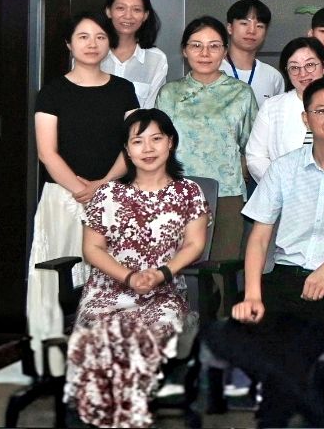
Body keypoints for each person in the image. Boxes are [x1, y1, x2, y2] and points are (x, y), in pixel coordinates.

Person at [202, 77, 324, 429]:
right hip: (283, 281)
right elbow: (259, 238)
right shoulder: (283, 168)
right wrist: (252, 294)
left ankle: (275, 423)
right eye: (322, 111)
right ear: (306, 119)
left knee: (291, 352)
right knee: (220, 333)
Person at [64, 109, 210, 429]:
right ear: (127, 150)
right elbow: (92, 249)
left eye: (156, 139)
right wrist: (129, 277)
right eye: (138, 141)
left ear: (170, 142)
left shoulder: (188, 192)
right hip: (108, 290)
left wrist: (160, 274)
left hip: (163, 292)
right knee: (99, 336)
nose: (148, 148)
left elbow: (194, 245)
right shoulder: (107, 193)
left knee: (142, 339)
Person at [29, 12, 138, 373]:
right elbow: (47, 153)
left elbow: (133, 145)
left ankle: (110, 363)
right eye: (83, 37)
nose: (92, 44)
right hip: (62, 199)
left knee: (112, 278)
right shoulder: (52, 92)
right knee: (58, 278)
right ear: (69, 44)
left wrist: (103, 186)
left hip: (114, 197)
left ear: (109, 43)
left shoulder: (123, 90)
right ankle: (55, 365)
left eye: (100, 37)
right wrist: (81, 191)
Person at [155, 16, 256, 260]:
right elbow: (158, 145)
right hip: (176, 191)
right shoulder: (170, 93)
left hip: (227, 193)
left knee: (223, 268)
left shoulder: (241, 93)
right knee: (175, 267)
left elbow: (252, 146)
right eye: (196, 45)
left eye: (214, 46)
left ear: (225, 51)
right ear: (184, 50)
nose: (205, 53)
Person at [247, 36, 324, 183]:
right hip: (283, 190)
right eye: (294, 67)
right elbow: (256, 156)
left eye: (310, 65)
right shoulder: (272, 107)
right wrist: (282, 184)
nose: (303, 73)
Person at [100, 0, 169, 108]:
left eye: (136, 9)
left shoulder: (156, 59)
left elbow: (150, 111)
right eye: (121, 8)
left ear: (145, 15)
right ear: (108, 11)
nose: (128, 16)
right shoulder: (91, 52)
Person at [224, 0, 286, 107]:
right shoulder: (212, 71)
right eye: (244, 23)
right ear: (230, 28)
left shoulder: (273, 76)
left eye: (259, 26)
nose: (252, 31)